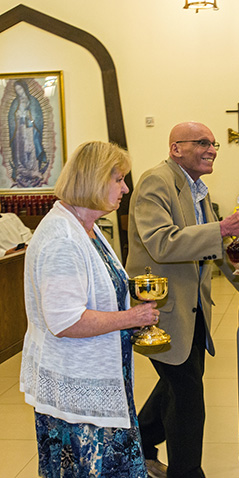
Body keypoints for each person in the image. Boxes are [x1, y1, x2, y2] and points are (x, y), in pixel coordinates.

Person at [126, 121, 239, 478]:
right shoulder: (156, 182)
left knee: (178, 383)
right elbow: (162, 243)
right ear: (175, 147)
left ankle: (140, 445)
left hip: (193, 312)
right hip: (161, 311)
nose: (212, 149)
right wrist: (222, 227)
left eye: (213, 143)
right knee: (187, 398)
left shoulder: (198, 190)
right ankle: (187, 472)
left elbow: (221, 249)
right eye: (202, 142)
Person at [20, 141, 160, 478]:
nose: (125, 188)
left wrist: (129, 305)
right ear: (93, 180)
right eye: (118, 179)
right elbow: (66, 321)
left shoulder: (88, 227)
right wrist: (132, 317)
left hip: (97, 380)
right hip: (78, 393)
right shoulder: (62, 240)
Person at [8, 79, 48, 187]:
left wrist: (28, 115)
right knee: (20, 151)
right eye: (17, 90)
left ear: (24, 88)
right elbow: (11, 118)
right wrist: (17, 116)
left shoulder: (33, 101)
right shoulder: (15, 102)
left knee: (31, 149)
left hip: (30, 129)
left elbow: (38, 117)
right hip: (19, 130)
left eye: (20, 89)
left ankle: (34, 171)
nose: (19, 92)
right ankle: (21, 171)